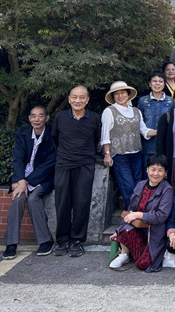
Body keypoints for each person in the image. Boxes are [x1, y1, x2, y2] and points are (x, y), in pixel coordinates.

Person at [52, 86, 101, 257]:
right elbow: (55, 138)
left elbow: (96, 139)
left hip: (85, 164)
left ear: (87, 100)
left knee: (82, 203)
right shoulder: (60, 117)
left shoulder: (94, 118)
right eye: (74, 97)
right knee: (62, 203)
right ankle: (62, 240)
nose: (77, 101)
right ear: (69, 99)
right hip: (63, 164)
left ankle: (77, 241)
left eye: (81, 97)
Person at [3, 106, 56, 259]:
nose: (36, 119)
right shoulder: (23, 133)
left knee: (33, 199)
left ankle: (45, 240)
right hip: (22, 178)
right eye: (33, 116)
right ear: (29, 118)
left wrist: (26, 182)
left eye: (40, 116)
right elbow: (18, 158)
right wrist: (21, 180)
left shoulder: (53, 135)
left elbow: (50, 163)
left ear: (47, 118)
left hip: (43, 178)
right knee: (18, 199)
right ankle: (11, 243)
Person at [108, 154, 173, 272]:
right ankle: (124, 254)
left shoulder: (167, 189)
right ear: (147, 170)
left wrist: (138, 215)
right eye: (153, 169)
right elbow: (130, 211)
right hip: (136, 228)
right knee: (125, 229)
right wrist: (118, 231)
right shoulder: (140, 185)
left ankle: (135, 253)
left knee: (144, 264)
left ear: (165, 173)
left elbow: (161, 216)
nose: (156, 173)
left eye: (160, 170)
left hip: (153, 232)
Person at [101, 81, 156, 209]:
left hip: (137, 154)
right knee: (128, 188)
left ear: (128, 94)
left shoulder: (136, 111)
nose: (120, 96)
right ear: (113, 96)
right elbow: (105, 134)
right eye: (116, 94)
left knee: (138, 187)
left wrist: (161, 130)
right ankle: (131, 216)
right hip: (119, 156)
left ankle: (136, 216)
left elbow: (144, 131)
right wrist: (107, 154)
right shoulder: (109, 111)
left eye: (123, 92)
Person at [138, 73, 175, 163]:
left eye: (160, 81)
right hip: (148, 144)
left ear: (164, 84)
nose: (157, 83)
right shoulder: (143, 101)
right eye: (154, 81)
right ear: (150, 84)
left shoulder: (171, 101)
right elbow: (139, 121)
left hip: (165, 143)